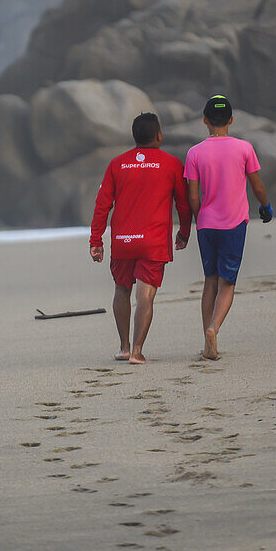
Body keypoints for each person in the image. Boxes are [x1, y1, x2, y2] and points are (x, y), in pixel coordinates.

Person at [90, 113, 191, 364]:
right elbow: (183, 205)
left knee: (121, 290)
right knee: (144, 296)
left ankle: (123, 347)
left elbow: (102, 205)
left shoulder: (117, 164)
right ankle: (137, 351)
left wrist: (96, 240)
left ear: (134, 137)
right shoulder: (171, 164)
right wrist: (185, 233)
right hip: (153, 241)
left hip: (123, 239)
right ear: (159, 135)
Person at [184, 95, 272, 361]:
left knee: (210, 280)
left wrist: (201, 218)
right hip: (234, 225)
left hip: (207, 225)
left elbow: (193, 197)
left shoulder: (194, 152)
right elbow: (256, 186)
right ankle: (214, 328)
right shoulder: (244, 148)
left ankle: (207, 340)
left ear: (205, 121)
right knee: (227, 283)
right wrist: (265, 206)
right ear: (231, 120)